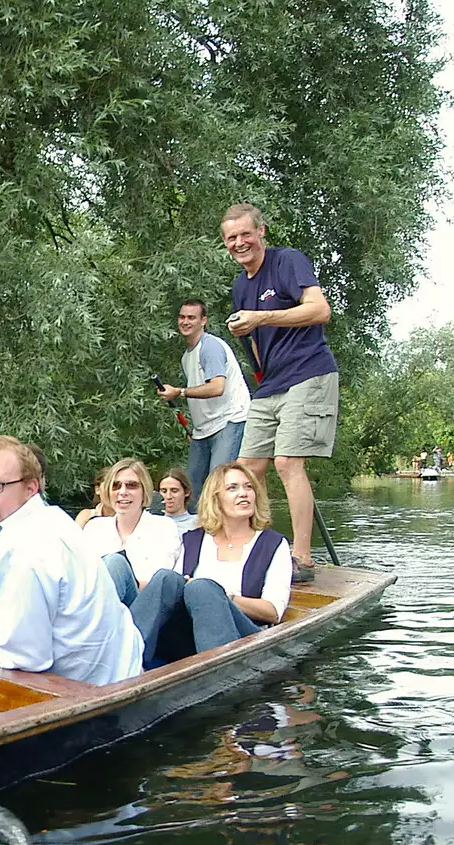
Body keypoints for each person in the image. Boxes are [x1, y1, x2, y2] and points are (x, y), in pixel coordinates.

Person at [0, 436, 143, 685]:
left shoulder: (22, 547)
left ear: (30, 488)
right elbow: (52, 599)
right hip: (124, 670)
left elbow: (26, 659)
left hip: (93, 698)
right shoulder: (51, 518)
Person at [222, 203, 339, 585]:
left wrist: (262, 316)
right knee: (246, 469)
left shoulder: (287, 261)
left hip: (309, 373)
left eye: (245, 234)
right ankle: (246, 547)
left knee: (287, 462)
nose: (240, 243)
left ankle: (301, 558)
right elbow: (254, 342)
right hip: (270, 384)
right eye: (231, 238)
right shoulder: (241, 285)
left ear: (261, 231)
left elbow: (319, 310)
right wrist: (256, 351)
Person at [128, 462, 293, 669]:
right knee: (165, 578)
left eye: (248, 487)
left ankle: (218, 672)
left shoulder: (273, 544)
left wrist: (223, 596)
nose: (244, 493)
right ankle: (126, 657)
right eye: (233, 488)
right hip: (187, 636)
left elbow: (273, 611)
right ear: (216, 498)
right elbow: (176, 587)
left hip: (241, 638)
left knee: (202, 588)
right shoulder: (192, 540)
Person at [157, 299, 251, 495]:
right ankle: (200, 526)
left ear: (203, 321)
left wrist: (179, 392)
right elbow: (201, 395)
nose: (185, 322)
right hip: (203, 430)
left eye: (192, 317)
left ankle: (231, 524)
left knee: (219, 486)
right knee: (192, 491)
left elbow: (217, 387)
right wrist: (195, 428)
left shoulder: (210, 347)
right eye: (182, 317)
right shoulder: (187, 356)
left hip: (229, 422)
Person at [81, 458, 183, 606]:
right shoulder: (94, 528)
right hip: (97, 606)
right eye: (116, 486)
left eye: (131, 485)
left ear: (144, 490)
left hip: (143, 607)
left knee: (115, 562)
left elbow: (159, 585)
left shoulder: (163, 527)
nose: (122, 492)